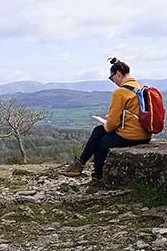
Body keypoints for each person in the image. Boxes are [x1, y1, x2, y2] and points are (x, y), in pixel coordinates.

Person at [60, 57, 151, 188]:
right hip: (145, 135)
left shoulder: (120, 92)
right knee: (99, 131)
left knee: (101, 142)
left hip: (131, 136)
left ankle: (94, 178)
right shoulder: (139, 88)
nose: (113, 81)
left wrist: (108, 122)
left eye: (111, 77)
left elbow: (112, 125)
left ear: (118, 74)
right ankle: (81, 165)